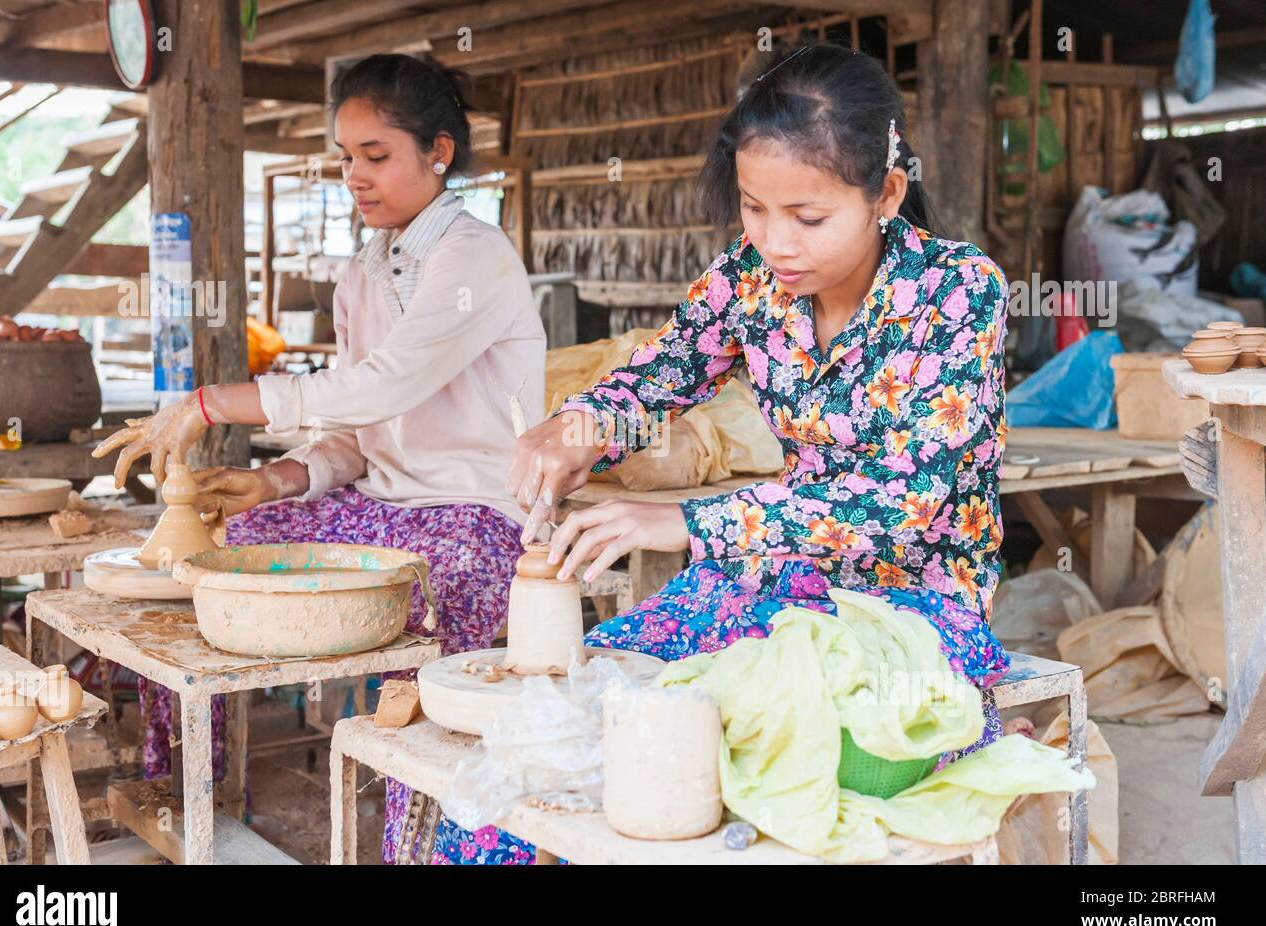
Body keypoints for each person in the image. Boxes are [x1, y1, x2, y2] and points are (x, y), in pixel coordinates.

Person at [435, 44, 1011, 864]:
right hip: (769, 572)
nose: (776, 242)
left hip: (911, 609)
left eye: (808, 218)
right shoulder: (750, 280)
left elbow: (902, 505)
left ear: (885, 193)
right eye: (753, 208)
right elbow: (660, 374)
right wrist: (585, 426)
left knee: (733, 771)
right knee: (573, 739)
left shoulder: (956, 293)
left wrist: (690, 522)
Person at [93, 53, 545, 864]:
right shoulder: (364, 271)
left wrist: (211, 403)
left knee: (452, 587)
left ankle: (431, 840)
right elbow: (353, 434)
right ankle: (190, 794)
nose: (355, 176)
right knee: (222, 548)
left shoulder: (472, 257)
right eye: (345, 156)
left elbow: (379, 385)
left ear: (438, 153)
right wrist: (274, 477)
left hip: (480, 514)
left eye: (376, 156)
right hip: (384, 504)